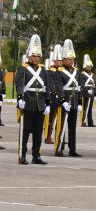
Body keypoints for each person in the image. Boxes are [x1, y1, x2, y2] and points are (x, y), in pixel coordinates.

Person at [15, 34, 50, 165]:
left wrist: (47, 103)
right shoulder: (23, 69)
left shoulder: (43, 70)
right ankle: (22, 155)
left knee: (38, 132)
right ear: (29, 56)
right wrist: (19, 98)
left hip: (39, 104)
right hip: (28, 103)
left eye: (38, 56)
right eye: (34, 56)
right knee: (25, 131)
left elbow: (46, 86)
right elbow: (19, 84)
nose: (36, 58)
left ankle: (36, 155)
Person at [54, 39, 82, 157]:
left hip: (74, 101)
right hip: (64, 102)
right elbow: (59, 88)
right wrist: (63, 100)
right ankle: (58, 147)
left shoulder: (77, 71)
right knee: (61, 125)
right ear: (64, 59)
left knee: (72, 127)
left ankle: (72, 149)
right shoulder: (59, 72)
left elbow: (79, 87)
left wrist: (80, 102)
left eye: (72, 59)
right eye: (69, 59)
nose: (71, 61)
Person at [80, 55, 96, 128]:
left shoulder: (93, 74)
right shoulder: (82, 74)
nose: (89, 67)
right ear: (85, 67)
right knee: (85, 108)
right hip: (85, 93)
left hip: (91, 93)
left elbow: (94, 84)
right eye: (88, 66)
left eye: (90, 66)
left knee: (90, 109)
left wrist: (95, 94)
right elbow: (82, 84)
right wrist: (87, 90)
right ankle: (83, 121)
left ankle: (90, 122)